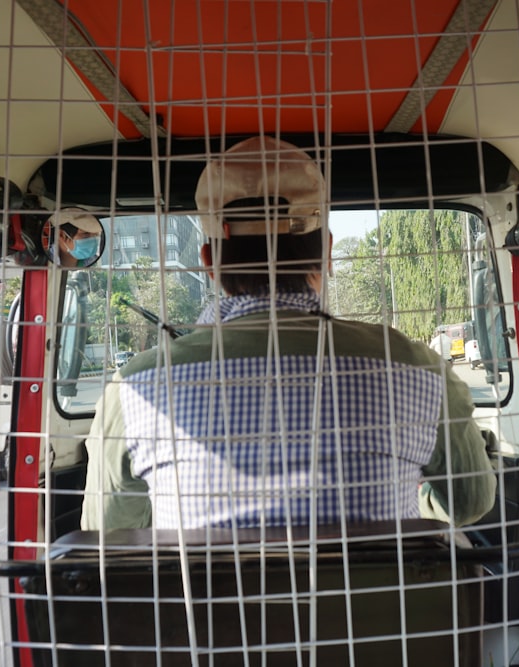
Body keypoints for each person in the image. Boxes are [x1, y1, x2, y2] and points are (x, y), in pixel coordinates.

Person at [81, 135, 496, 531]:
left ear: (209, 260)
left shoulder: (134, 389)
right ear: (328, 250)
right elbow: (471, 502)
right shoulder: (419, 370)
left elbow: (107, 533)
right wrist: (415, 506)